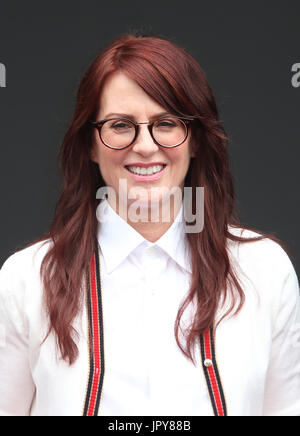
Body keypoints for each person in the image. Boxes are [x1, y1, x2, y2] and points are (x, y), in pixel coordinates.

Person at [0, 33, 299, 417]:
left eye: (167, 122)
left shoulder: (264, 272)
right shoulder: (27, 280)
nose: (144, 145)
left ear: (195, 141)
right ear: (90, 145)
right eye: (121, 125)